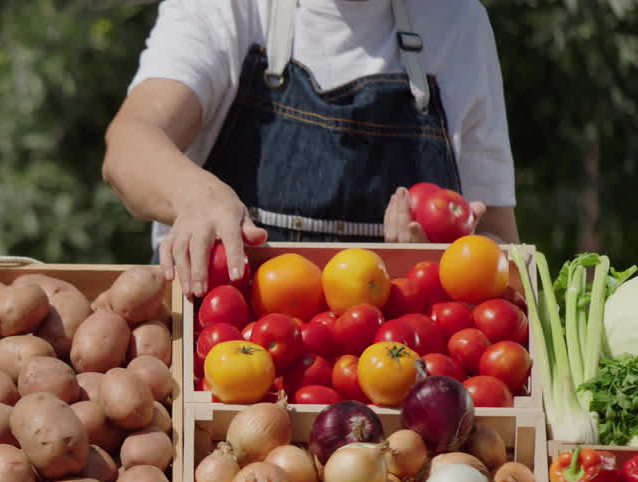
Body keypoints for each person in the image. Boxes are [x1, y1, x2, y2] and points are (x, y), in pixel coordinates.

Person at [102, 0, 519, 297]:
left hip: (399, 361)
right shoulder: (225, 7)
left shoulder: (459, 22)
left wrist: (441, 270)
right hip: (219, 351)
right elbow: (129, 143)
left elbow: (501, 241)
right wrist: (196, 195)